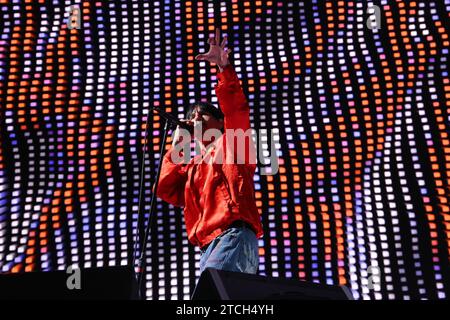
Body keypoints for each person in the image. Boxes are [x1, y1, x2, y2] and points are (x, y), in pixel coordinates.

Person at [156, 28, 263, 275]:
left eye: (201, 113)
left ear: (218, 121)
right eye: (190, 117)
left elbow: (237, 109)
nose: (194, 118)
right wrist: (178, 144)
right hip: (207, 248)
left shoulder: (233, 143)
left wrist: (224, 70)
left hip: (233, 236)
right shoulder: (191, 167)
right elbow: (165, 187)